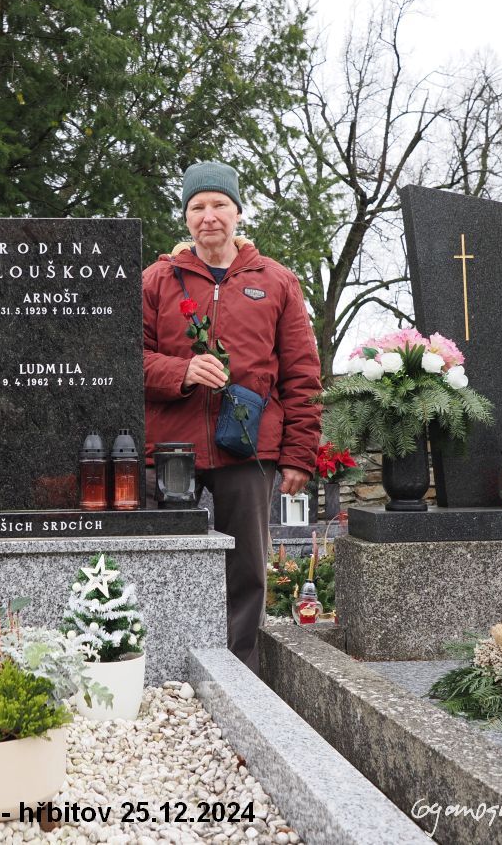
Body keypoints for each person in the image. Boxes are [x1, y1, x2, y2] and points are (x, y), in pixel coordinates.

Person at [143, 161, 321, 670]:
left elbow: (302, 373)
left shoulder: (278, 281)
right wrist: (181, 371)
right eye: (197, 206)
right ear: (186, 217)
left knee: (246, 569)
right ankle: (163, 667)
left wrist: (299, 455)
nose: (209, 216)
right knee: (165, 564)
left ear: (238, 212)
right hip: (170, 448)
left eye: (219, 204)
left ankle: (241, 672)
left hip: (248, 447)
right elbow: (125, 359)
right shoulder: (156, 280)